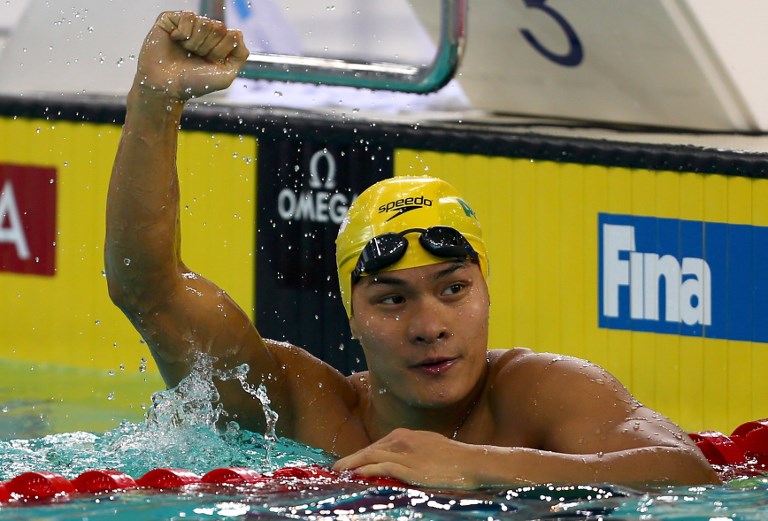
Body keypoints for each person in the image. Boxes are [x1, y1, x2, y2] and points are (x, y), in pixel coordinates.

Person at [105, 11, 720, 489]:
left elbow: (688, 472)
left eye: (453, 289)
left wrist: (482, 464)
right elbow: (149, 290)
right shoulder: (305, 407)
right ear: (351, 316)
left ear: (486, 291)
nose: (430, 327)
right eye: (392, 299)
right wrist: (157, 102)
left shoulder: (540, 392)